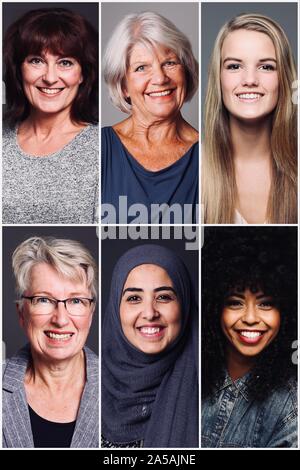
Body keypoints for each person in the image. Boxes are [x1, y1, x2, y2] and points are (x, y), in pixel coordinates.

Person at [201, 227, 297, 448]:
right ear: (214, 308)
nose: (251, 318)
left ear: (286, 311)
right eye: (235, 302)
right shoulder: (189, 377)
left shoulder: (291, 408)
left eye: (266, 303)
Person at [3, 8, 99, 223]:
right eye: (36, 60)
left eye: (65, 62)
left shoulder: (102, 149)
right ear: (19, 69)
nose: (50, 78)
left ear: (83, 73)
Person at [102, 11, 199, 224]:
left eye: (169, 63)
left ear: (187, 71)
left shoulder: (212, 155)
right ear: (123, 85)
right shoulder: (97, 149)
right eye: (141, 68)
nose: (160, 78)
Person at [2, 236, 99, 448]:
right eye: (44, 300)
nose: (61, 319)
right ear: (22, 313)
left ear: (91, 314)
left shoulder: (117, 386)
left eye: (76, 301)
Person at [202, 14, 297, 224]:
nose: (250, 80)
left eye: (266, 67)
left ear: (284, 78)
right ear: (218, 78)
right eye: (235, 66)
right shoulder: (192, 170)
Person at [102, 244, 198, 448]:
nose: (149, 313)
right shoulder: (84, 387)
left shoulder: (210, 389)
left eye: (163, 297)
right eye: (134, 298)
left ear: (184, 305)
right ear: (115, 310)